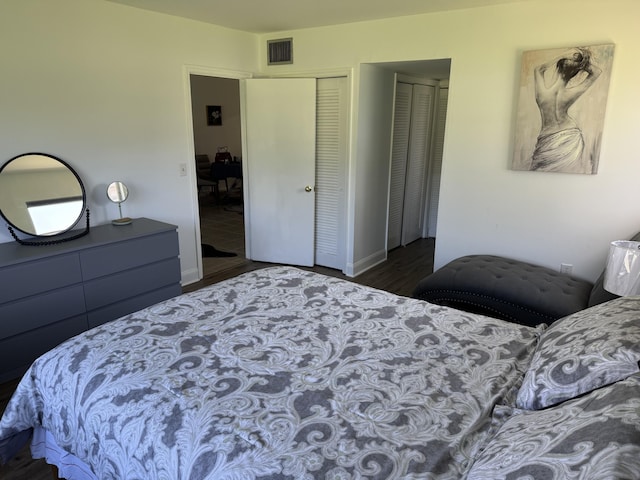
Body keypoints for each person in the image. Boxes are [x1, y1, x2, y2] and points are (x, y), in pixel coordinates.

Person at [530, 47, 601, 172]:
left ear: (557, 67)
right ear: (573, 75)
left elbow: (539, 69)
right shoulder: (571, 93)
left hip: (548, 137)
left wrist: (560, 57)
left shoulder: (542, 94)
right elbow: (596, 72)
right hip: (570, 136)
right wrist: (581, 64)